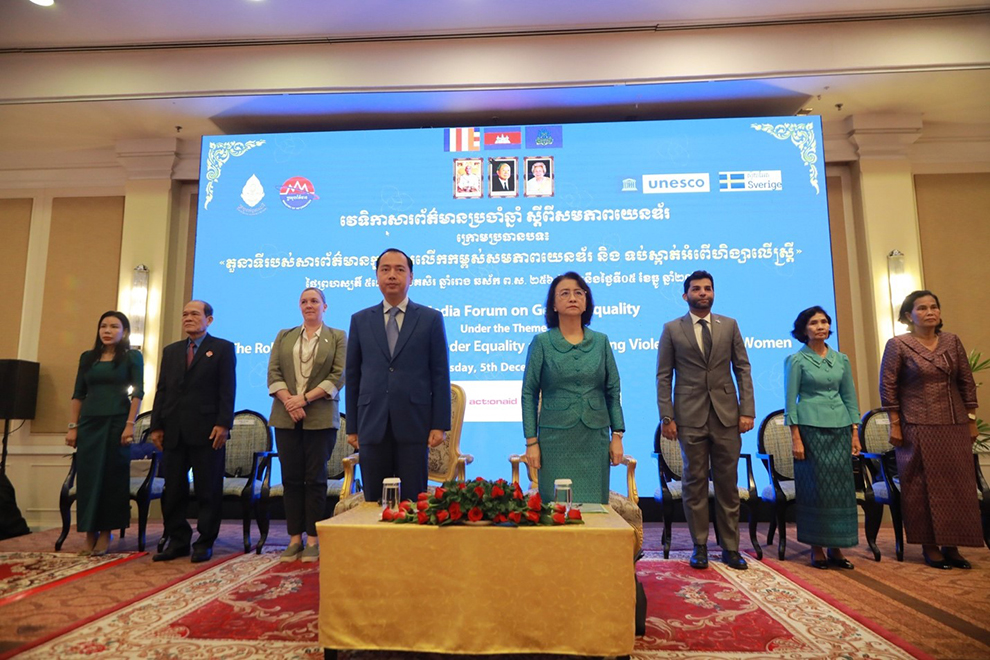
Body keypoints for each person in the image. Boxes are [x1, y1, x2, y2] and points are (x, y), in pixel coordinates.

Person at [656, 270, 755, 570]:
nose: (703, 293)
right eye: (696, 289)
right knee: (694, 481)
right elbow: (663, 376)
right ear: (685, 295)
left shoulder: (730, 326)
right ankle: (699, 545)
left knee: (728, 483)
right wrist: (667, 416)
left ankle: (730, 547)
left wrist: (747, 410)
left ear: (714, 293)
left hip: (727, 415)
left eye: (708, 288)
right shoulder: (672, 329)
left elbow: (743, 369)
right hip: (689, 416)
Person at [880, 290, 982, 569]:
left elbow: (966, 381)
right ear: (907, 316)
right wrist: (896, 424)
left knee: (957, 487)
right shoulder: (897, 345)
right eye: (922, 308)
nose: (929, 312)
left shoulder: (952, 341)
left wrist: (971, 420)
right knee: (922, 486)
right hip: (916, 425)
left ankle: (953, 545)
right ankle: (930, 546)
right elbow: (888, 387)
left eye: (934, 307)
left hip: (953, 423)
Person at [346, 248, 451, 503]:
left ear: (411, 277)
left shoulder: (430, 319)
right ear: (377, 277)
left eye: (399, 269)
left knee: (413, 501)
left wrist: (440, 424)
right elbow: (353, 376)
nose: (392, 275)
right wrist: (353, 426)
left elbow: (440, 374)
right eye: (385, 269)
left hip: (414, 424)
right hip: (372, 424)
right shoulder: (360, 320)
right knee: (373, 501)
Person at [521, 272, 624, 504]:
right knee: (557, 509)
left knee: (594, 508)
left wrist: (617, 435)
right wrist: (531, 442)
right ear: (554, 304)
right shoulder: (542, 343)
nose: (572, 298)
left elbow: (612, 391)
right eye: (564, 293)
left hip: (594, 437)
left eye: (579, 292)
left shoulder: (601, 342)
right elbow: (528, 393)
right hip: (554, 439)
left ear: (586, 301)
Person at [150, 300, 236, 563]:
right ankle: (178, 540)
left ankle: (205, 541)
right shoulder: (172, 351)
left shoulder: (221, 348)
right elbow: (162, 390)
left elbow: (227, 388)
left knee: (207, 489)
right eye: (185, 313)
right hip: (174, 430)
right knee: (173, 490)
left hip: (208, 430)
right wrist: (156, 425)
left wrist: (224, 424)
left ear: (208, 320)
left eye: (195, 314)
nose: (188, 318)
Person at [268, 288, 346, 563]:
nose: (309, 305)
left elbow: (338, 376)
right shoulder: (285, 336)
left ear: (325, 306)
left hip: (320, 417)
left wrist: (303, 399)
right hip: (285, 416)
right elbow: (274, 373)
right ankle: (293, 539)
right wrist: (290, 401)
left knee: (315, 478)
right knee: (291, 479)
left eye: (314, 301)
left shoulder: (337, 336)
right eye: (304, 301)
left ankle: (313, 539)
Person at [784, 306, 861, 569]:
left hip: (839, 429)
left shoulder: (842, 359)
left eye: (825, 322)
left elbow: (849, 396)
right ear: (803, 329)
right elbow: (790, 402)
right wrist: (796, 438)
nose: (821, 326)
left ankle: (837, 548)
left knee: (840, 491)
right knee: (816, 489)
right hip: (810, 430)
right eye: (814, 322)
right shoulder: (797, 360)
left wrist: (854, 432)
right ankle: (816, 549)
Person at [64, 311, 143, 556]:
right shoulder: (87, 357)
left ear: (124, 331)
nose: (107, 331)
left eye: (114, 326)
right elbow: (78, 393)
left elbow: (137, 393)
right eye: (103, 326)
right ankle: (89, 533)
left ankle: (107, 533)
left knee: (111, 478)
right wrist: (73, 426)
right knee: (88, 479)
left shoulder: (132, 357)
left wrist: (130, 424)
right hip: (89, 424)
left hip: (117, 423)